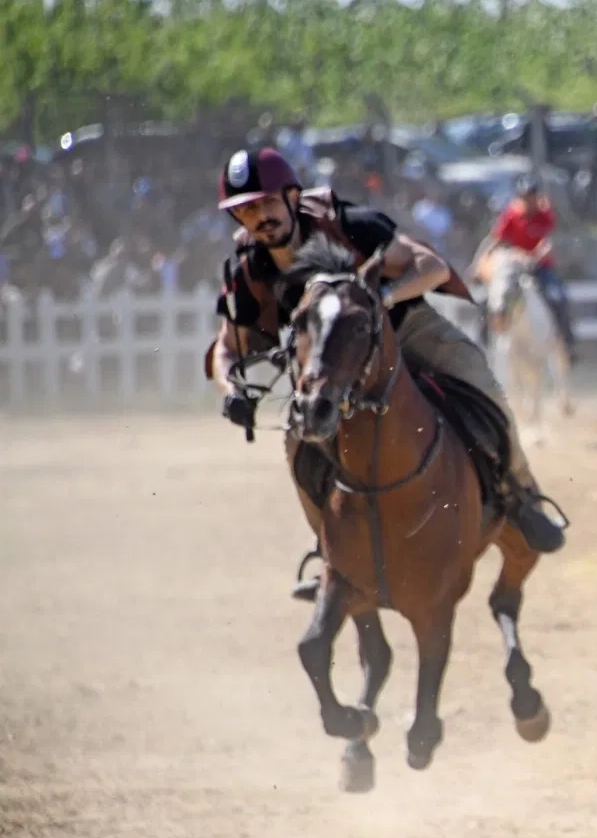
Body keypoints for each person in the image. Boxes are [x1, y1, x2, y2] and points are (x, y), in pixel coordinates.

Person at [205, 147, 567, 599]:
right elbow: (226, 347)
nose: (259, 217)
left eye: (266, 203)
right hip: (337, 360)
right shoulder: (248, 267)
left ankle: (522, 495)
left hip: (407, 328)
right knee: (298, 438)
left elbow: (431, 266)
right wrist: (230, 390)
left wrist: (383, 297)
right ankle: (330, 554)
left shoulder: (346, 223)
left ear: (292, 196)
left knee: (483, 386)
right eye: (246, 210)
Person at [476, 174, 579, 360]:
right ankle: (483, 344)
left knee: (557, 297)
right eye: (525, 197)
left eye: (531, 196)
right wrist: (482, 260)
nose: (528, 201)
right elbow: (498, 239)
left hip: (540, 266)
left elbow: (548, 241)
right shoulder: (511, 214)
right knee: (486, 298)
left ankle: (567, 343)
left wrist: (539, 255)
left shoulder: (545, 214)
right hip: (515, 265)